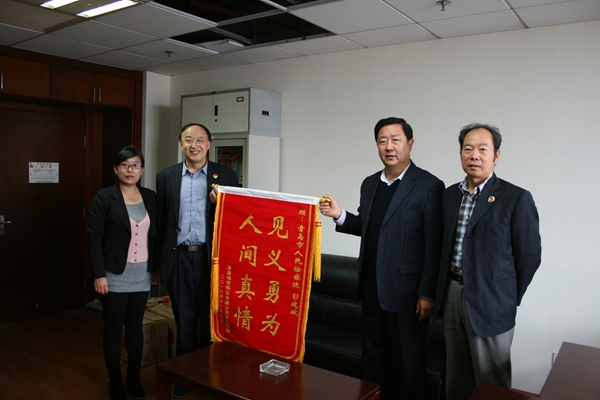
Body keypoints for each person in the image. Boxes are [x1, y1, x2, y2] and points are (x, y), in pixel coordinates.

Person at [319, 117, 444, 400]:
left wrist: (427, 293)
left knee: (407, 365)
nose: (389, 147)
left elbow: (433, 245)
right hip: (371, 288)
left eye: (395, 140)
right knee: (373, 361)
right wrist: (340, 215)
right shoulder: (370, 183)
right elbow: (370, 226)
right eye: (382, 141)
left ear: (410, 144)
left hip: (407, 294)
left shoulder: (429, 185)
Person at [432, 123, 542, 400]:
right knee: (456, 374)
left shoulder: (515, 198)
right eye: (468, 149)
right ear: (460, 154)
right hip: (452, 292)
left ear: (496, 155)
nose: (474, 155)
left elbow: (529, 255)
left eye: (483, 149)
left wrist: (507, 295)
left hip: (492, 300)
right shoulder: (449, 195)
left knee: (492, 382)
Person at [154, 123, 239, 399]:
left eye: (200, 140)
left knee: (210, 319)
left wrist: (220, 203)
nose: (195, 145)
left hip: (211, 258)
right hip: (178, 256)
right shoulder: (165, 176)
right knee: (185, 319)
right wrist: (157, 264)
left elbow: (239, 217)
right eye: (189, 140)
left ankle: (210, 375)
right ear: (181, 144)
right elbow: (162, 222)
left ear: (209, 144)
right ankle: (186, 375)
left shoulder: (225, 175)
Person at [87, 146, 157, 400]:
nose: (130, 170)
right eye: (125, 165)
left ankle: (134, 377)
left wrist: (155, 267)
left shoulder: (150, 197)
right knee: (114, 329)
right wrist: (99, 274)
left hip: (142, 274)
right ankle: (114, 380)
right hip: (114, 275)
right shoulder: (104, 198)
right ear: (116, 169)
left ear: (142, 170)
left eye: (135, 165)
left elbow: (156, 235)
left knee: (135, 328)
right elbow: (93, 238)